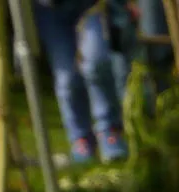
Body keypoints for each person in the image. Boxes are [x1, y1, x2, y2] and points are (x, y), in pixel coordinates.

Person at [33, 0, 128, 164]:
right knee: (67, 80)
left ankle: (109, 129)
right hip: (49, 10)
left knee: (96, 63)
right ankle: (80, 138)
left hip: (92, 4)